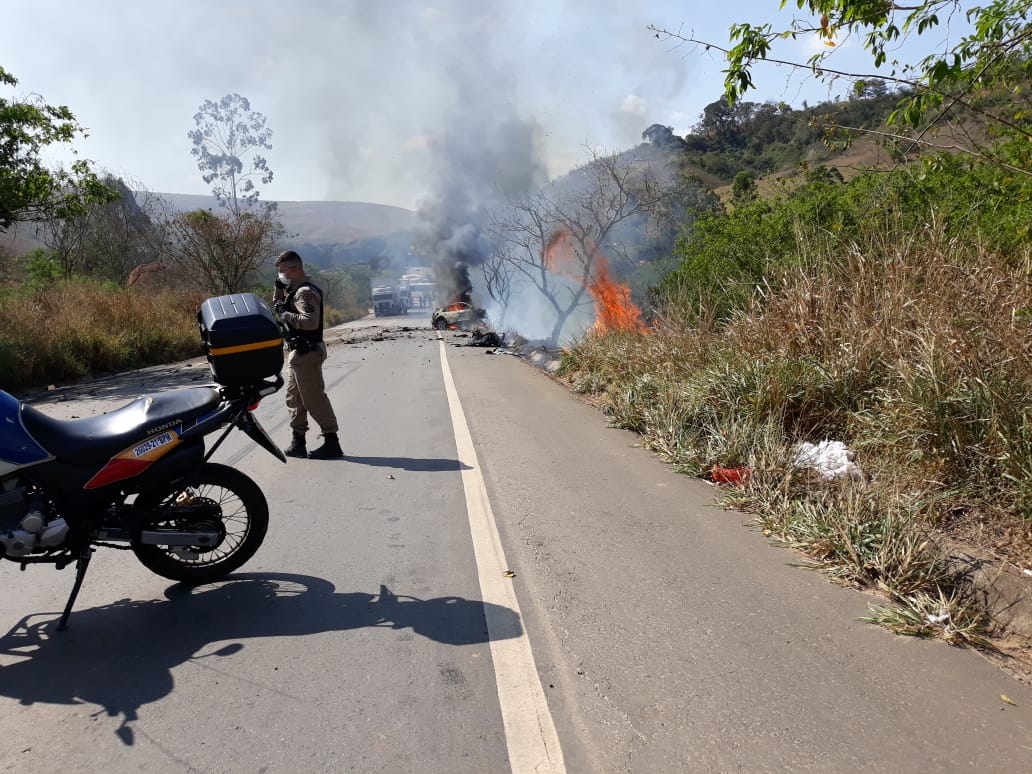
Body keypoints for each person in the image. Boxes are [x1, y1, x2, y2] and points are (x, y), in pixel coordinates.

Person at [272, 250, 343, 459]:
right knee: (294, 398)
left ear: (293, 269)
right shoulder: (293, 290)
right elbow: (278, 304)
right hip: (298, 353)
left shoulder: (305, 293)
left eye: (282, 271)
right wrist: (278, 288)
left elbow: (310, 322)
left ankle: (332, 442)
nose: (280, 275)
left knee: (314, 399)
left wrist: (286, 314)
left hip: (308, 352)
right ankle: (298, 442)